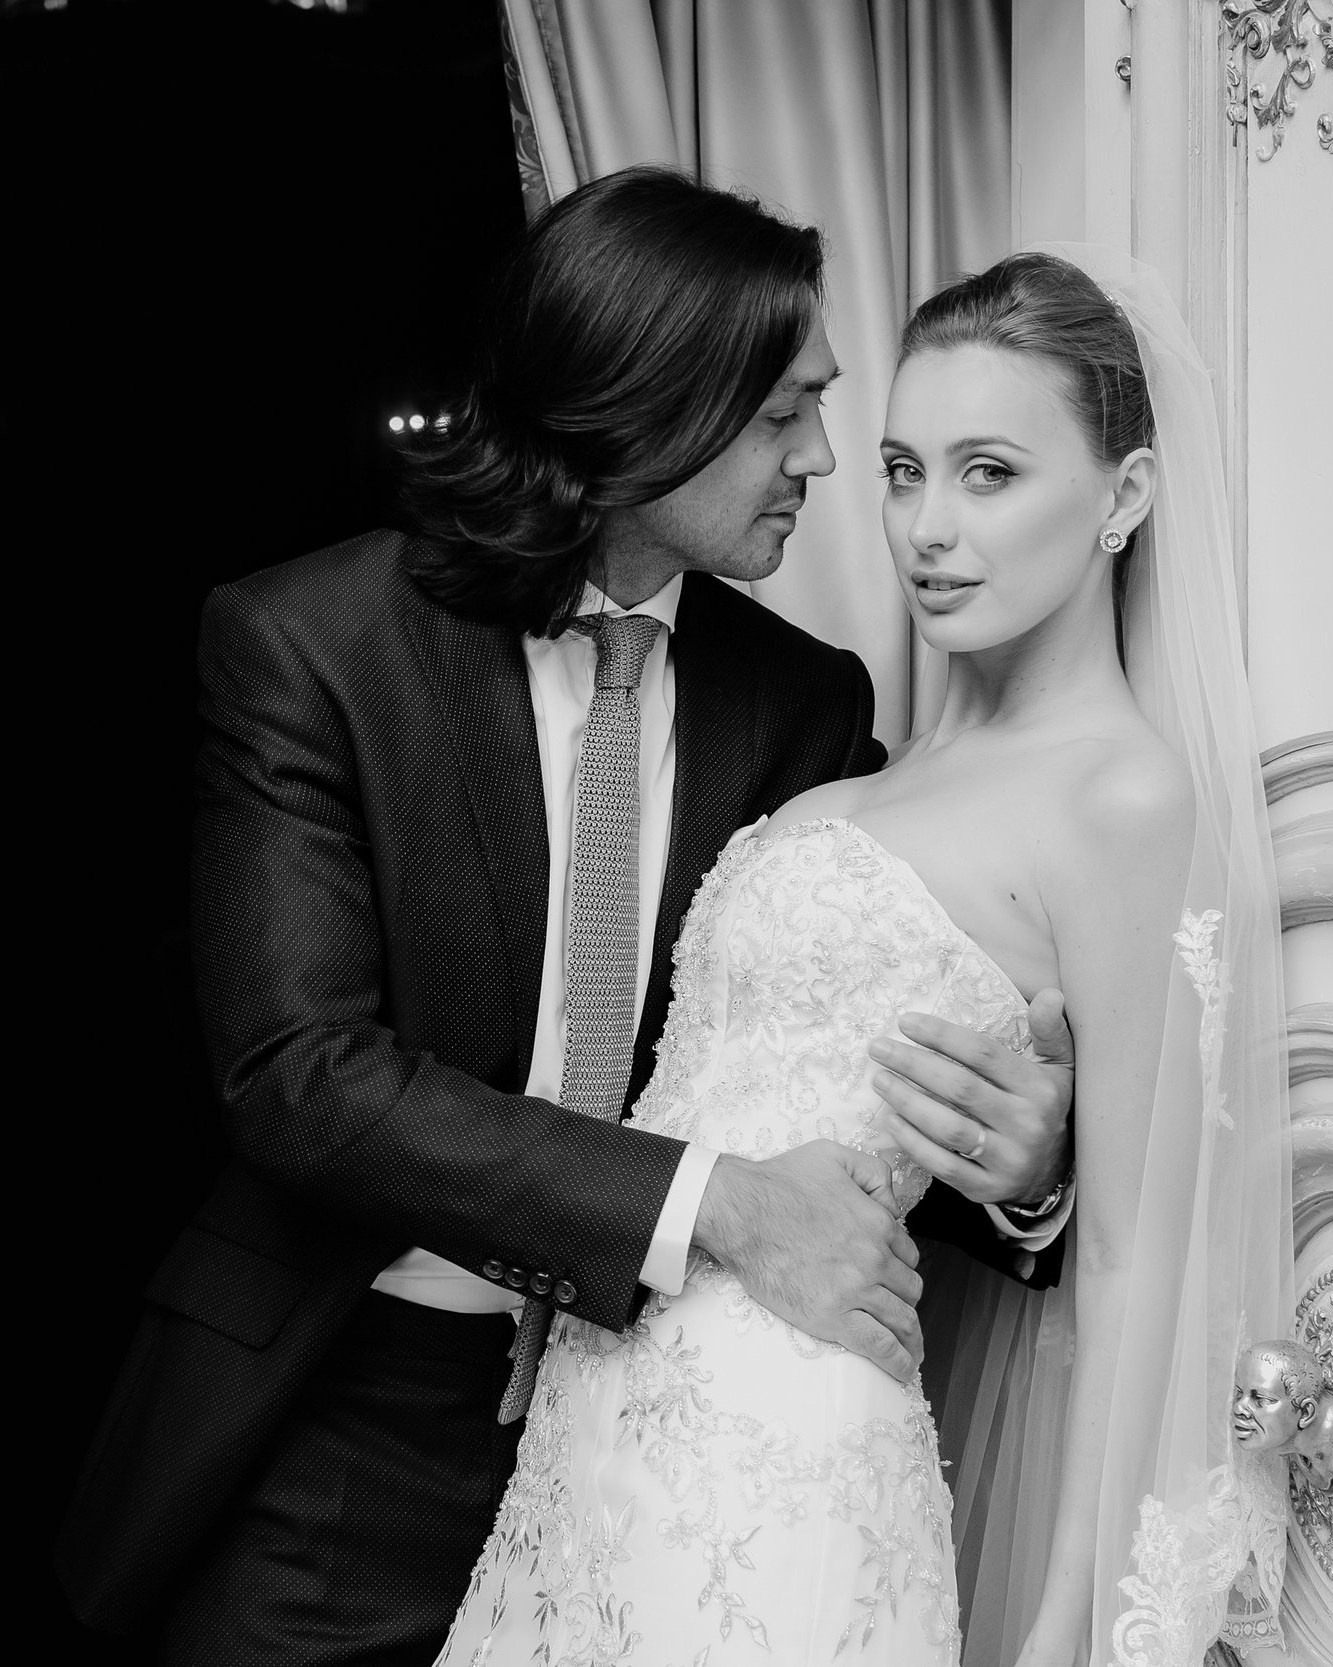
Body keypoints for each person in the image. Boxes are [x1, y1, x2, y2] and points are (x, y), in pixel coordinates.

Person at [55, 169, 1074, 1666]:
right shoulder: (310, 647)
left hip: (662, 1467)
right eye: (782, 411)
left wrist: (1028, 1176)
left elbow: (846, 1044)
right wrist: (705, 1201)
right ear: (642, 402)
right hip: (350, 1418)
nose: (823, 459)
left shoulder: (801, 702)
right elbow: (299, 1077)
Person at [436, 249, 1292, 1667]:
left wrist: (1072, 1621)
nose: (926, 527)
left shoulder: (1120, 799)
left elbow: (1139, 1263)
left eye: (988, 473)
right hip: (592, 1460)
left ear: (1122, 499)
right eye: (901, 470)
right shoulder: (847, 761)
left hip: (793, 1482)